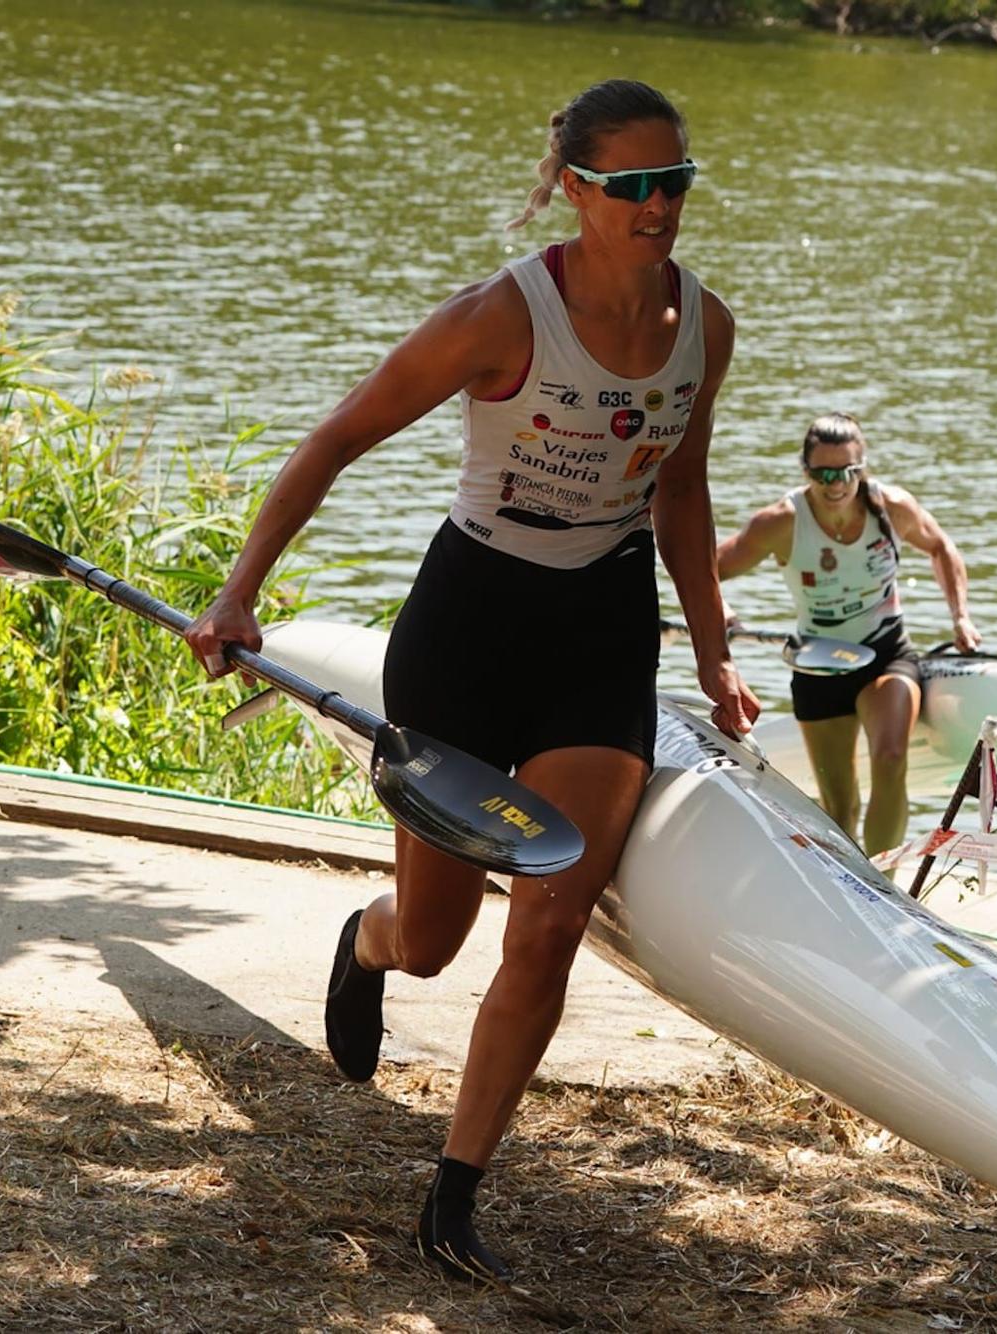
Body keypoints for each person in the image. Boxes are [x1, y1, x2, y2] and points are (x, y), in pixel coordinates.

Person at [184, 79, 759, 1285]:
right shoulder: (500, 317)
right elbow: (337, 437)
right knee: (437, 937)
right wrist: (238, 592)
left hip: (601, 632)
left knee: (549, 917)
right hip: (468, 628)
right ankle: (369, 939)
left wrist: (710, 650)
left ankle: (454, 1192)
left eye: (677, 184)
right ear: (573, 188)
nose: (659, 207)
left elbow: (683, 490)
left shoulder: (706, 325)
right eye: (633, 187)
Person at [716, 412, 978, 855]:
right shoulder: (780, 522)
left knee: (891, 756)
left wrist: (961, 618)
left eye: (846, 472)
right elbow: (705, 569)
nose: (835, 483)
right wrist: (721, 612)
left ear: (863, 468)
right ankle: (852, 886)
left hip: (886, 652)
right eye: (822, 473)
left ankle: (885, 879)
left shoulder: (892, 507)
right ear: (805, 471)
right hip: (819, 662)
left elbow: (941, 547)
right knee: (840, 807)